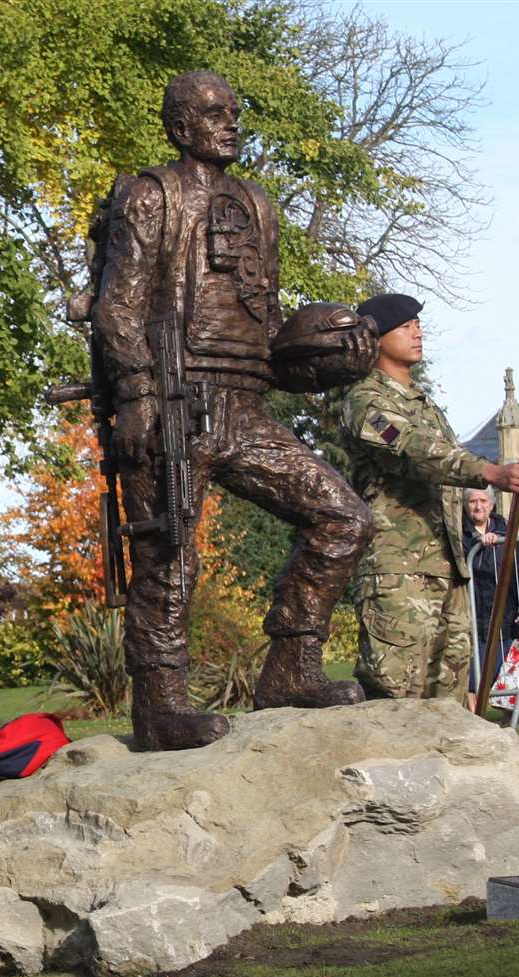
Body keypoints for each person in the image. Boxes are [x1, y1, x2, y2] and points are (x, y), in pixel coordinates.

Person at [94, 70, 375, 752]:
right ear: (181, 125)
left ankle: (291, 669)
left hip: (242, 407)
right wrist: (136, 395)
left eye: (235, 113)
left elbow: (265, 323)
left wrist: (329, 351)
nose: (231, 123)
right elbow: (117, 307)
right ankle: (160, 708)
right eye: (216, 113)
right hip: (172, 402)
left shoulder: (257, 204)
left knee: (343, 516)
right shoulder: (151, 196)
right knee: (169, 555)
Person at [339, 294, 519, 704]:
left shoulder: (424, 403)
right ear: (375, 337)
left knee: (447, 699)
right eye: (404, 325)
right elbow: (412, 447)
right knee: (397, 697)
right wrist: (488, 472)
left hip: (447, 567)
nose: (417, 331)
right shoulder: (366, 401)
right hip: (399, 575)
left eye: (417, 324)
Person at [462, 487, 519, 692]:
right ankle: (477, 722)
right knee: (472, 682)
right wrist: (477, 544)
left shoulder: (506, 534)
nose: (478, 506)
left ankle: (508, 723)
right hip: (471, 620)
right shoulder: (458, 535)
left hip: (503, 620)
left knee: (506, 680)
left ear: (492, 504)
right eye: (472, 501)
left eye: (483, 501)